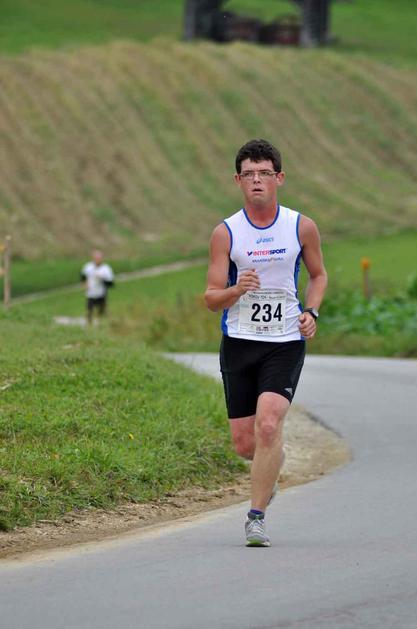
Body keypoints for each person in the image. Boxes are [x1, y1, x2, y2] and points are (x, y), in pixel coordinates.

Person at [204, 139, 327, 547]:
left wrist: (311, 312)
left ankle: (255, 518)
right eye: (249, 174)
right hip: (239, 342)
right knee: (246, 444)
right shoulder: (226, 233)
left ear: (279, 178)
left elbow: (318, 275)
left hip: (285, 340)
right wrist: (236, 289)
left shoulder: (301, 226)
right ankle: (271, 465)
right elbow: (211, 298)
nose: (257, 180)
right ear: (238, 180)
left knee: (270, 424)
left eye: (264, 173)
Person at [81, 250, 114, 324]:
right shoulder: (88, 267)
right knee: (89, 310)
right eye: (95, 258)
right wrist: (84, 284)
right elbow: (83, 276)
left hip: (101, 294)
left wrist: (102, 279)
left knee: (101, 311)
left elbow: (111, 283)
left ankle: (100, 324)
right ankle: (89, 324)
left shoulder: (106, 269)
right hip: (90, 293)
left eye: (99, 258)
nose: (97, 260)